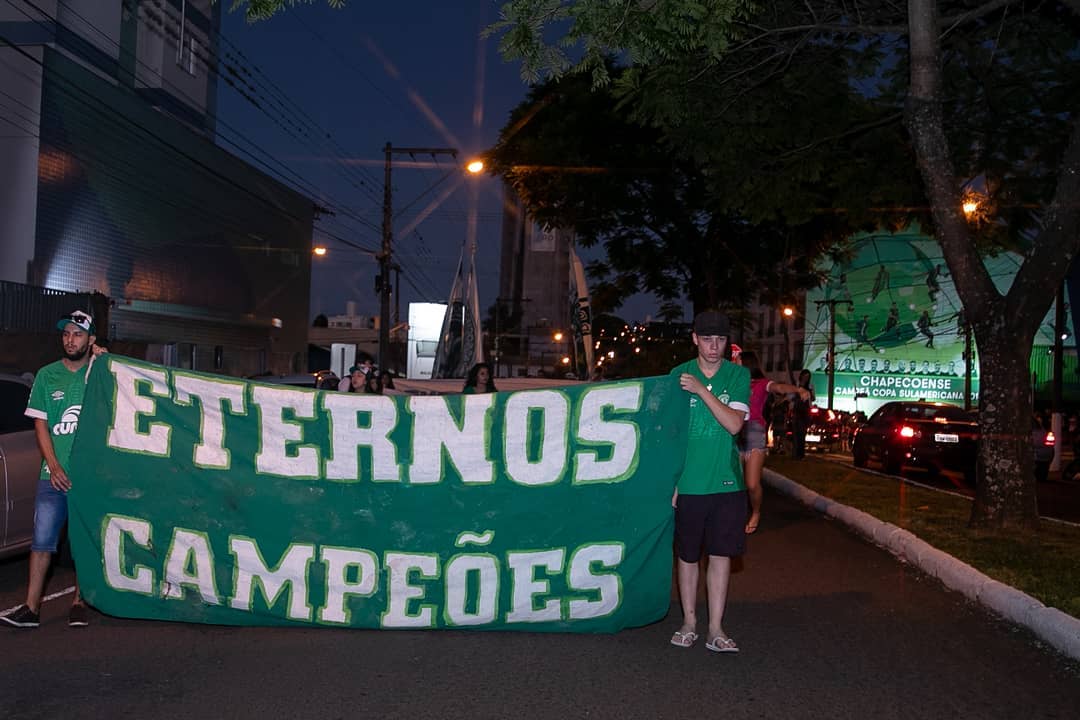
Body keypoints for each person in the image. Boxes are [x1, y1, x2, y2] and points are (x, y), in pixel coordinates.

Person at [2, 311, 105, 629]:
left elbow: (126, 388)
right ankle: (31, 608)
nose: (70, 339)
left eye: (77, 334)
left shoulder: (100, 372)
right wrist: (55, 464)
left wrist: (107, 360)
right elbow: (41, 424)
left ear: (91, 341)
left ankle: (79, 601)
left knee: (83, 544)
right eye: (66, 334)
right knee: (42, 541)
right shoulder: (47, 375)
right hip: (53, 476)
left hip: (88, 477)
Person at [669, 310, 750, 654]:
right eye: (706, 339)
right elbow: (668, 434)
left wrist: (702, 390)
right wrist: (670, 481)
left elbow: (734, 424)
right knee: (687, 556)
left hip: (727, 482)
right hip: (688, 484)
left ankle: (715, 628)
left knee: (720, 555)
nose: (713, 346)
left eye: (720, 340)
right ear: (694, 338)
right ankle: (689, 622)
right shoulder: (676, 375)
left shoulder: (737, 375)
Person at [737, 351, 810, 534]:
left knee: (752, 483)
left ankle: (756, 512)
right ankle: (733, 516)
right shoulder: (733, 382)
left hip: (754, 431)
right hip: (733, 430)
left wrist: (797, 389)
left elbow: (778, 387)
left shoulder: (762, 383)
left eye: (737, 361)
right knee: (734, 482)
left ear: (747, 364)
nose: (733, 363)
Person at [790, 369, 816, 459]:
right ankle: (795, 453)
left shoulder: (810, 386)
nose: (806, 378)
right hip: (797, 410)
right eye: (805, 376)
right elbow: (791, 397)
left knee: (802, 433)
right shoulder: (796, 385)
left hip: (805, 411)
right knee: (796, 433)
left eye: (807, 377)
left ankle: (801, 454)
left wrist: (809, 393)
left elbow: (813, 399)